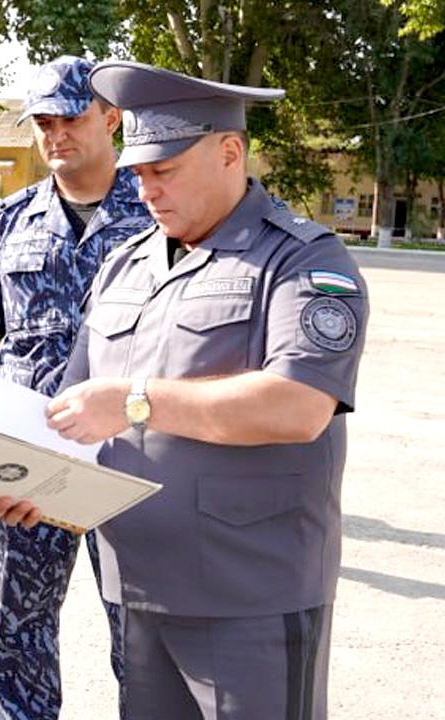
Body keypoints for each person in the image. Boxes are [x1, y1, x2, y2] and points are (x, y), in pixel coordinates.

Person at [45, 60, 369, 719]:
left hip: (248, 594)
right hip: (136, 589)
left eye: (163, 171)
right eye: (137, 174)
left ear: (229, 152)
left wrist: (137, 402)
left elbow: (299, 405)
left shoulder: (303, 260)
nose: (146, 192)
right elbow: (72, 402)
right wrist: (21, 478)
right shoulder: (125, 264)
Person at [0, 55, 152, 720]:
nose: (56, 133)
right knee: (21, 623)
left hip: (131, 456)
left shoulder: (155, 209)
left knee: (144, 628)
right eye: (43, 121)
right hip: (26, 457)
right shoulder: (11, 218)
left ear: (111, 118)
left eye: (71, 117)